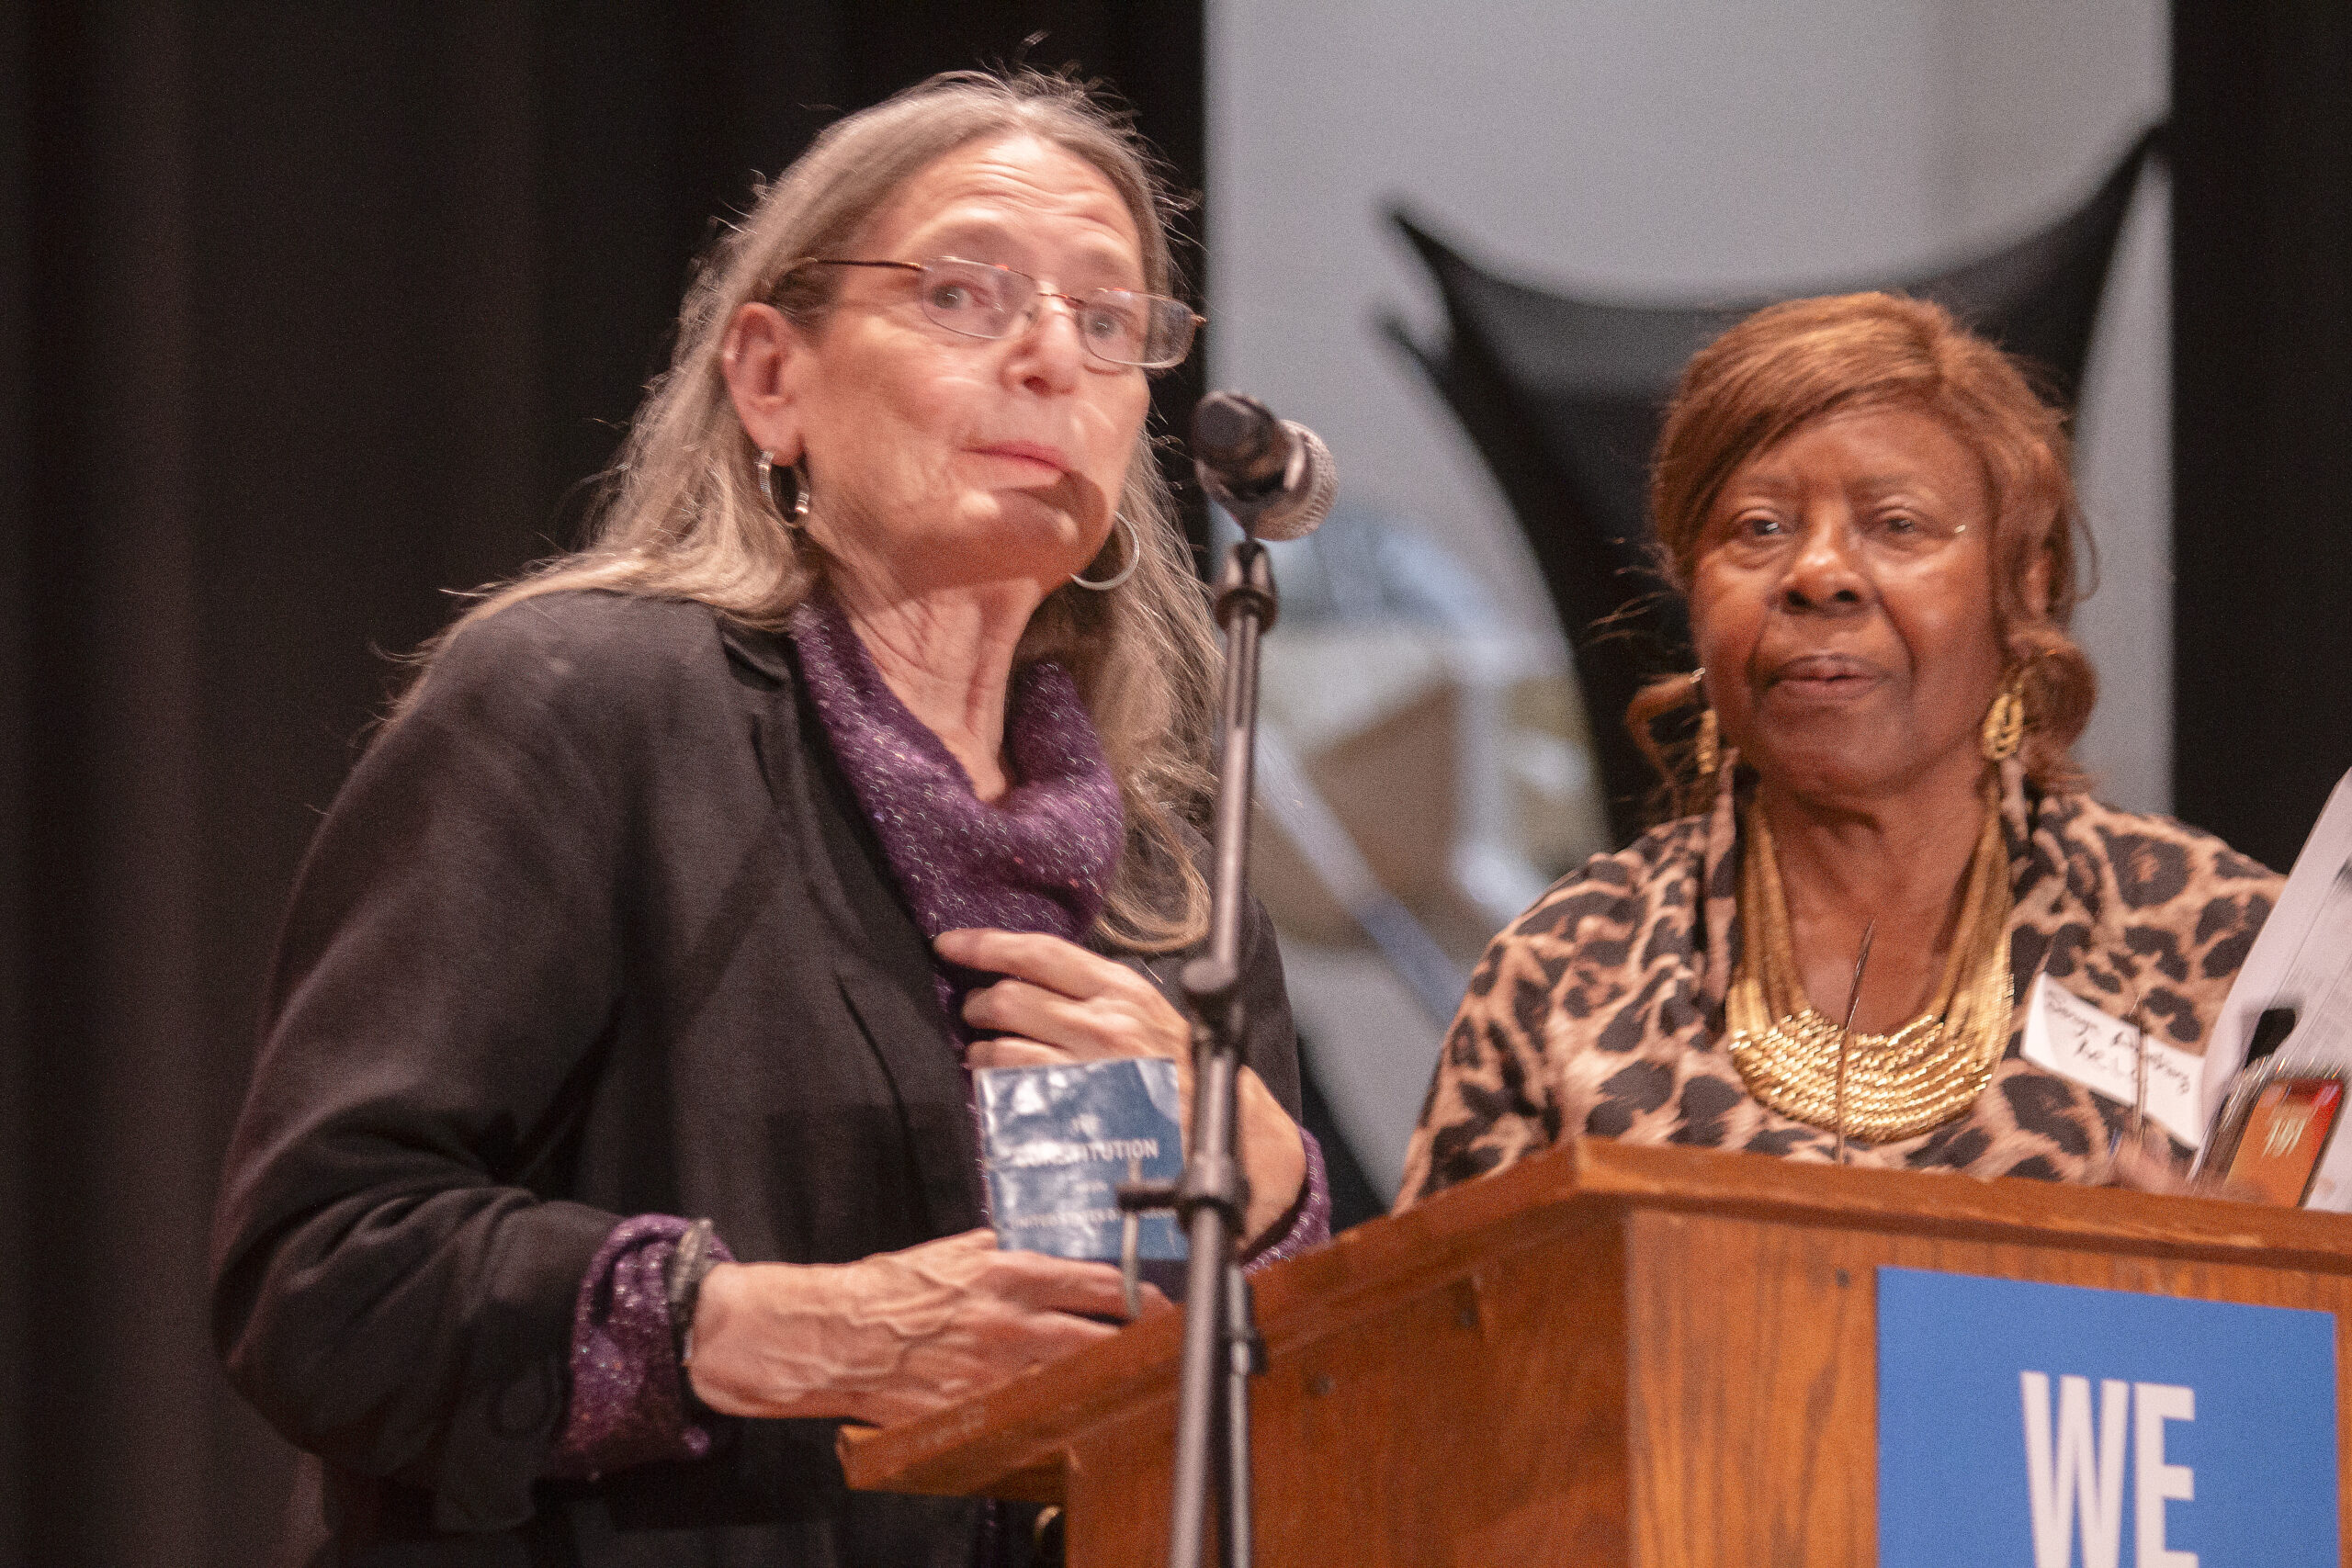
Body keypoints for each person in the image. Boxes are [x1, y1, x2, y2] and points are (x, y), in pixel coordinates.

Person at [211, 70, 1328, 1566]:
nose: (1053, 354)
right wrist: (753, 1328)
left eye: (1111, 321)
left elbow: (1288, 1437)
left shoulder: (1176, 887)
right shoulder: (582, 704)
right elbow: (319, 1270)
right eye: (964, 291)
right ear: (768, 377)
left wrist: (1275, 1200)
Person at [1400, 292, 2279, 1207]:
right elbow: (1428, 1338)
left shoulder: (2211, 949)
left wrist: (2243, 1285)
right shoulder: (1563, 974)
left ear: (2024, 583)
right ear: (1693, 591)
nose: (1817, 573)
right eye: (1758, 529)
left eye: (1895, 525)